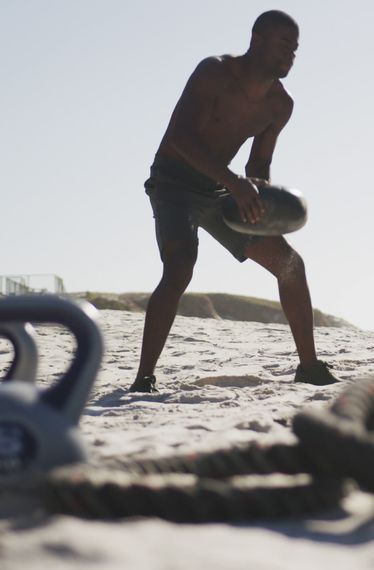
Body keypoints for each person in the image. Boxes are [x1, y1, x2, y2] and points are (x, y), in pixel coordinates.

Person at [130, 10, 339, 393]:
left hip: (219, 187)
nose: (290, 54)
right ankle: (143, 377)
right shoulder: (214, 73)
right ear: (257, 39)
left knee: (290, 264)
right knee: (179, 267)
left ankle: (309, 367)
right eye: (283, 44)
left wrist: (263, 201)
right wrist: (235, 183)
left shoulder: (280, 105)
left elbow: (258, 163)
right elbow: (180, 138)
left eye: (295, 48)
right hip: (173, 178)